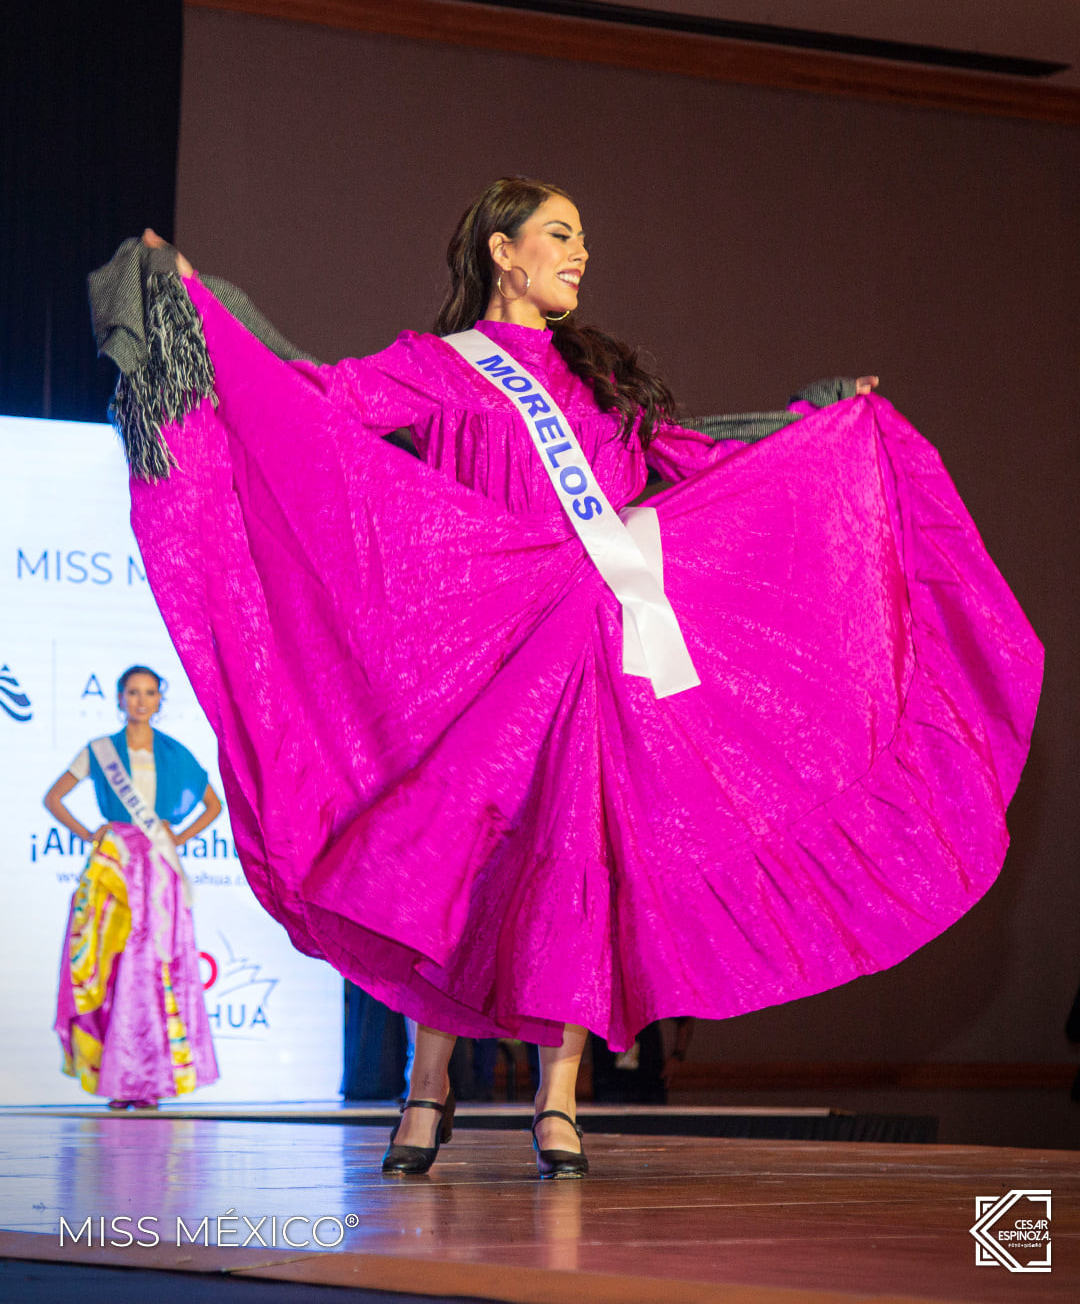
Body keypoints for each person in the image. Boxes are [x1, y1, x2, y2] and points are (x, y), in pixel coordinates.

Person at [89, 177, 1040, 1174]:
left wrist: (820, 419)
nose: (579, 255)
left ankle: (560, 1099)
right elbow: (312, 400)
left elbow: (703, 463)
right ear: (502, 251)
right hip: (482, 649)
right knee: (455, 863)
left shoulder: (600, 387)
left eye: (582, 239)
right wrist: (194, 302)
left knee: (580, 860)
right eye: (559, 234)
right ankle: (427, 1088)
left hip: (595, 653)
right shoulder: (436, 368)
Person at [46, 665, 222, 1108]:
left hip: (160, 871)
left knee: (155, 964)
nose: (141, 700)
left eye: (150, 693)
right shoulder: (100, 750)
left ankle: (151, 1080)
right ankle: (117, 1077)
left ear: (160, 700)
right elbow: (54, 797)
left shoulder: (173, 751)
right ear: (119, 698)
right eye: (133, 692)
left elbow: (212, 804)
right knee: (112, 963)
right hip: (115, 865)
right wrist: (91, 834)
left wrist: (177, 837)